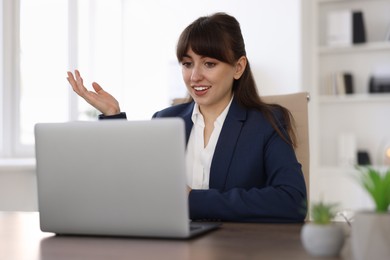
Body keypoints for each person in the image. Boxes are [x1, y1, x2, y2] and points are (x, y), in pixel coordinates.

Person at [67, 12, 307, 223]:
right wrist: (112, 116)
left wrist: (193, 199)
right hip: (171, 245)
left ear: (238, 67)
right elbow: (130, 185)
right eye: (187, 64)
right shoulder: (165, 120)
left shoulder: (266, 122)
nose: (195, 76)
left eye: (209, 64)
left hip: (236, 248)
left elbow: (292, 200)